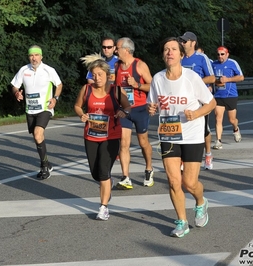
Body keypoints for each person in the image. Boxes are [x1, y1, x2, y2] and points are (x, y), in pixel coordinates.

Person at [147, 37, 216, 237]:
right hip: (169, 134)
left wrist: (196, 114)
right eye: (166, 49)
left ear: (180, 54)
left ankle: (201, 201)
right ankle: (182, 221)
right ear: (163, 55)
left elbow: (211, 103)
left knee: (189, 183)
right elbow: (153, 104)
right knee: (173, 181)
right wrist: (150, 107)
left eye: (173, 49)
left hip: (193, 135)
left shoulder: (192, 77)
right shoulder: (158, 79)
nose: (170, 52)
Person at [74, 54, 131, 220]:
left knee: (103, 171)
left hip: (111, 137)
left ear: (108, 75)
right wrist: (82, 115)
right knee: (95, 173)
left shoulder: (115, 91)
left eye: (100, 74)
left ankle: (103, 207)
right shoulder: (86, 89)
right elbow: (77, 106)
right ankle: (107, 183)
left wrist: (123, 112)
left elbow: (127, 106)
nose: (97, 78)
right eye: (94, 74)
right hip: (91, 136)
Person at [11, 45, 63, 179]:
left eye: (36, 55)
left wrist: (55, 98)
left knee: (38, 133)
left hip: (45, 108)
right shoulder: (24, 70)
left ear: (41, 56)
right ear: (29, 57)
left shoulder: (48, 70)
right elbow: (15, 86)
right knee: (37, 137)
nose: (34, 58)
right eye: (31, 55)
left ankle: (44, 167)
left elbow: (59, 84)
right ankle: (46, 162)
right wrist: (17, 93)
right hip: (30, 109)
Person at [114, 37, 154, 189]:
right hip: (125, 109)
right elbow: (116, 87)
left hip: (140, 109)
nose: (115, 51)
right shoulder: (117, 66)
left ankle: (149, 168)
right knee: (124, 143)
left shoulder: (139, 65)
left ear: (126, 50)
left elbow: (152, 86)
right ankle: (126, 177)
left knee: (143, 143)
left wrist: (137, 85)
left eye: (117, 48)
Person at [179, 31, 215, 170]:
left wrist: (195, 82)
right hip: (182, 99)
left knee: (203, 130)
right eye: (181, 41)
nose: (182, 43)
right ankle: (183, 159)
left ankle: (208, 154)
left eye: (185, 41)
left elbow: (212, 78)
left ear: (193, 43)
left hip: (199, 100)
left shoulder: (201, 58)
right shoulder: (179, 58)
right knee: (182, 127)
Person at [211, 46, 244, 149]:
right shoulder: (213, 64)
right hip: (218, 95)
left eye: (222, 54)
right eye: (218, 54)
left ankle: (235, 129)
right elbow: (210, 77)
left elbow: (241, 77)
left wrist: (227, 79)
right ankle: (218, 141)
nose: (220, 56)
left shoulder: (232, 63)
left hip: (231, 95)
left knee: (232, 119)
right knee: (218, 119)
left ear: (227, 54)